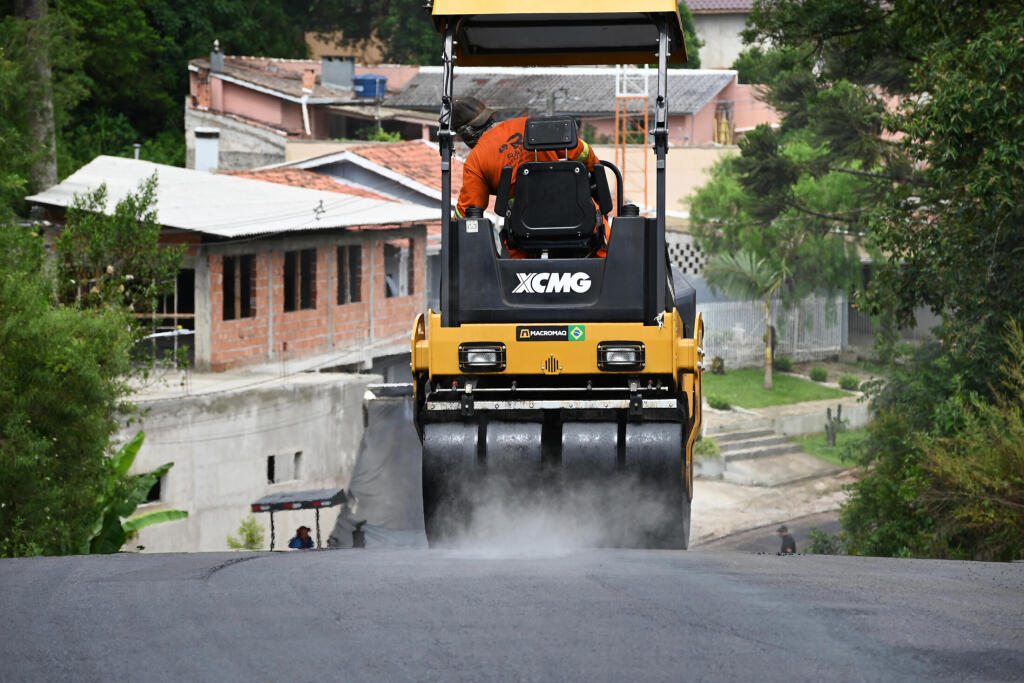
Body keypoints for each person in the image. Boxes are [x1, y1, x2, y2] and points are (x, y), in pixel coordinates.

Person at [451, 96, 608, 257]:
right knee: (605, 245)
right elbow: (582, 151)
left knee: (513, 275)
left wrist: (452, 226)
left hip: (525, 233)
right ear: (488, 116)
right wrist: (594, 172)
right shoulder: (530, 125)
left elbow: (469, 209)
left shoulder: (476, 159)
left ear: (467, 133)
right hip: (578, 219)